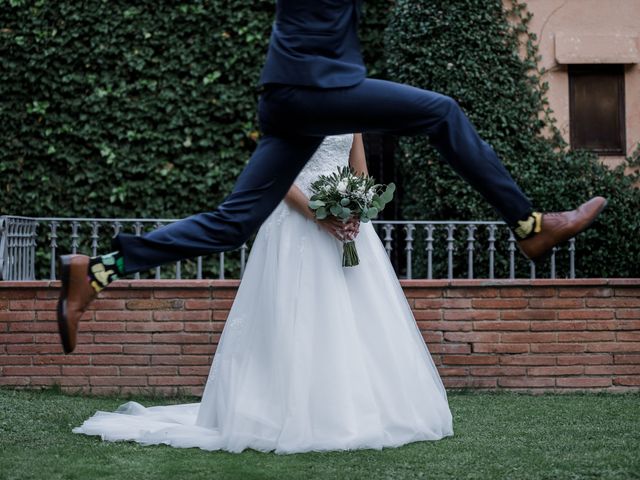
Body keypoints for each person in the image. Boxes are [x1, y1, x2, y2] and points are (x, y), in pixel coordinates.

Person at [57, 0, 606, 354]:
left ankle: (100, 270)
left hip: (287, 98)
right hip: (314, 88)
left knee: (231, 224)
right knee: (441, 111)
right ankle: (529, 224)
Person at [72, 133, 454, 453]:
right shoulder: (292, 106)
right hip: (297, 226)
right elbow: (279, 177)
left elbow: (362, 172)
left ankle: (361, 408)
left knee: (358, 320)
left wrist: (357, 210)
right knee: (296, 316)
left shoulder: (349, 107)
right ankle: (291, 411)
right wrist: (321, 214)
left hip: (348, 232)